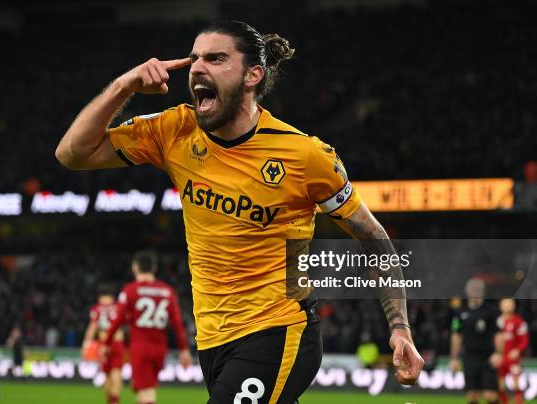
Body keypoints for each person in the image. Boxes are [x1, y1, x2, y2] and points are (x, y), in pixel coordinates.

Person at [56, 20, 423, 402]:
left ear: (253, 75)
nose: (197, 67)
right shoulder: (174, 131)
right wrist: (123, 86)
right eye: (194, 58)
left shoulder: (305, 155)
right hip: (212, 338)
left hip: (278, 330)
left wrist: (400, 328)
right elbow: (72, 154)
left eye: (216, 59)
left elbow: (374, 237)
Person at [104, 251, 191, 404]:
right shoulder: (167, 291)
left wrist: (106, 343)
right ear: (154, 268)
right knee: (144, 389)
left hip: (140, 347)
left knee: (147, 393)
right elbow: (177, 324)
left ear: (135, 268)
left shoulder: (130, 290)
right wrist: (184, 349)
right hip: (160, 348)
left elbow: (117, 320)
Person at [450, 278, 500, 404]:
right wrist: (454, 358)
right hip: (469, 357)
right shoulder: (460, 312)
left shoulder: (491, 310)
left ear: (483, 291)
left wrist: (498, 353)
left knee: (491, 395)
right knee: (473, 395)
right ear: (467, 291)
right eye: (472, 289)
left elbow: (499, 334)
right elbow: (456, 336)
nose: (475, 292)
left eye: (478, 290)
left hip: (488, 356)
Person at [82, 285, 126, 404]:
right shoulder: (118, 307)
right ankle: (115, 401)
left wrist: (86, 344)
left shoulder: (97, 308)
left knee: (106, 374)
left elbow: (92, 328)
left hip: (103, 343)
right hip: (117, 342)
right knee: (116, 373)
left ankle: (110, 401)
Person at [494, 298, 529, 404]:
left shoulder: (519, 322)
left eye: (510, 303)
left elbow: (524, 340)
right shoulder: (497, 321)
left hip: (513, 358)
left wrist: (517, 350)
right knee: (500, 385)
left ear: (514, 306)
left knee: (516, 383)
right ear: (501, 306)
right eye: (505, 303)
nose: (508, 306)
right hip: (500, 357)